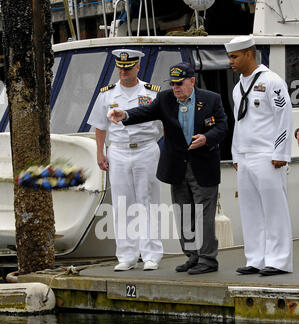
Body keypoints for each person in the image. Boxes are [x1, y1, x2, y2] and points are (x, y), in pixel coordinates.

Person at [109, 62, 228, 274]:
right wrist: (124, 115)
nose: (175, 88)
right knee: (184, 213)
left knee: (204, 215)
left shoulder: (211, 99)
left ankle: (208, 259)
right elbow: (145, 112)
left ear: (192, 81)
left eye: (179, 84)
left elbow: (222, 127)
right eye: (172, 84)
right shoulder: (165, 99)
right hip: (177, 167)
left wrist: (206, 138)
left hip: (203, 165)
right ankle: (192, 256)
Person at [88, 49, 163, 271]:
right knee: (122, 203)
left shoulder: (151, 93)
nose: (123, 71)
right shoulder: (107, 94)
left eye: (128, 68)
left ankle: (151, 254)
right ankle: (127, 256)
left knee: (148, 201)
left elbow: (162, 125)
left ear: (137, 67)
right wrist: (100, 152)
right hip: (119, 151)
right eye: (120, 68)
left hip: (145, 149)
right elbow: (100, 126)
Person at [225, 35, 293, 276]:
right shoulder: (237, 86)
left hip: (267, 154)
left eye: (234, 56)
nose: (230, 61)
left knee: (274, 210)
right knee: (250, 210)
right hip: (244, 155)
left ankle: (279, 260)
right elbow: (240, 123)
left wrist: (281, 152)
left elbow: (284, 117)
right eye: (229, 56)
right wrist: (235, 154)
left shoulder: (272, 81)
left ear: (249, 54)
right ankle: (256, 258)